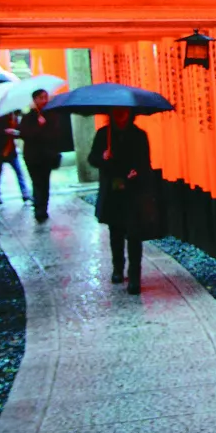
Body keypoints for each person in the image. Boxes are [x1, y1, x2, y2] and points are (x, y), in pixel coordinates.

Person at [88, 108, 153, 295]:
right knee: (115, 232)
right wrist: (102, 157)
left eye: (124, 113)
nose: (121, 117)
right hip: (112, 190)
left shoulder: (139, 135)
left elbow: (145, 162)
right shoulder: (103, 135)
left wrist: (137, 172)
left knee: (134, 234)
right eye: (117, 113)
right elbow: (92, 158)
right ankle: (118, 268)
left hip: (133, 190)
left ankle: (134, 277)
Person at [19, 89, 66, 223]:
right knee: (37, 182)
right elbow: (24, 135)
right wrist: (38, 127)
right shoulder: (28, 117)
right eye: (41, 98)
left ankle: (43, 208)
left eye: (46, 97)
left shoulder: (52, 115)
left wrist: (45, 126)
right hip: (32, 157)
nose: (44, 100)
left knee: (44, 183)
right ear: (35, 100)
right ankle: (39, 209)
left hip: (47, 156)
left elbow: (56, 135)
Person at [0, 111, 31, 204]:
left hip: (11, 150)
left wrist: (16, 132)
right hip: (0, 151)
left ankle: (25, 194)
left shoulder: (14, 117)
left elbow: (19, 130)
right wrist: (5, 131)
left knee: (19, 171)